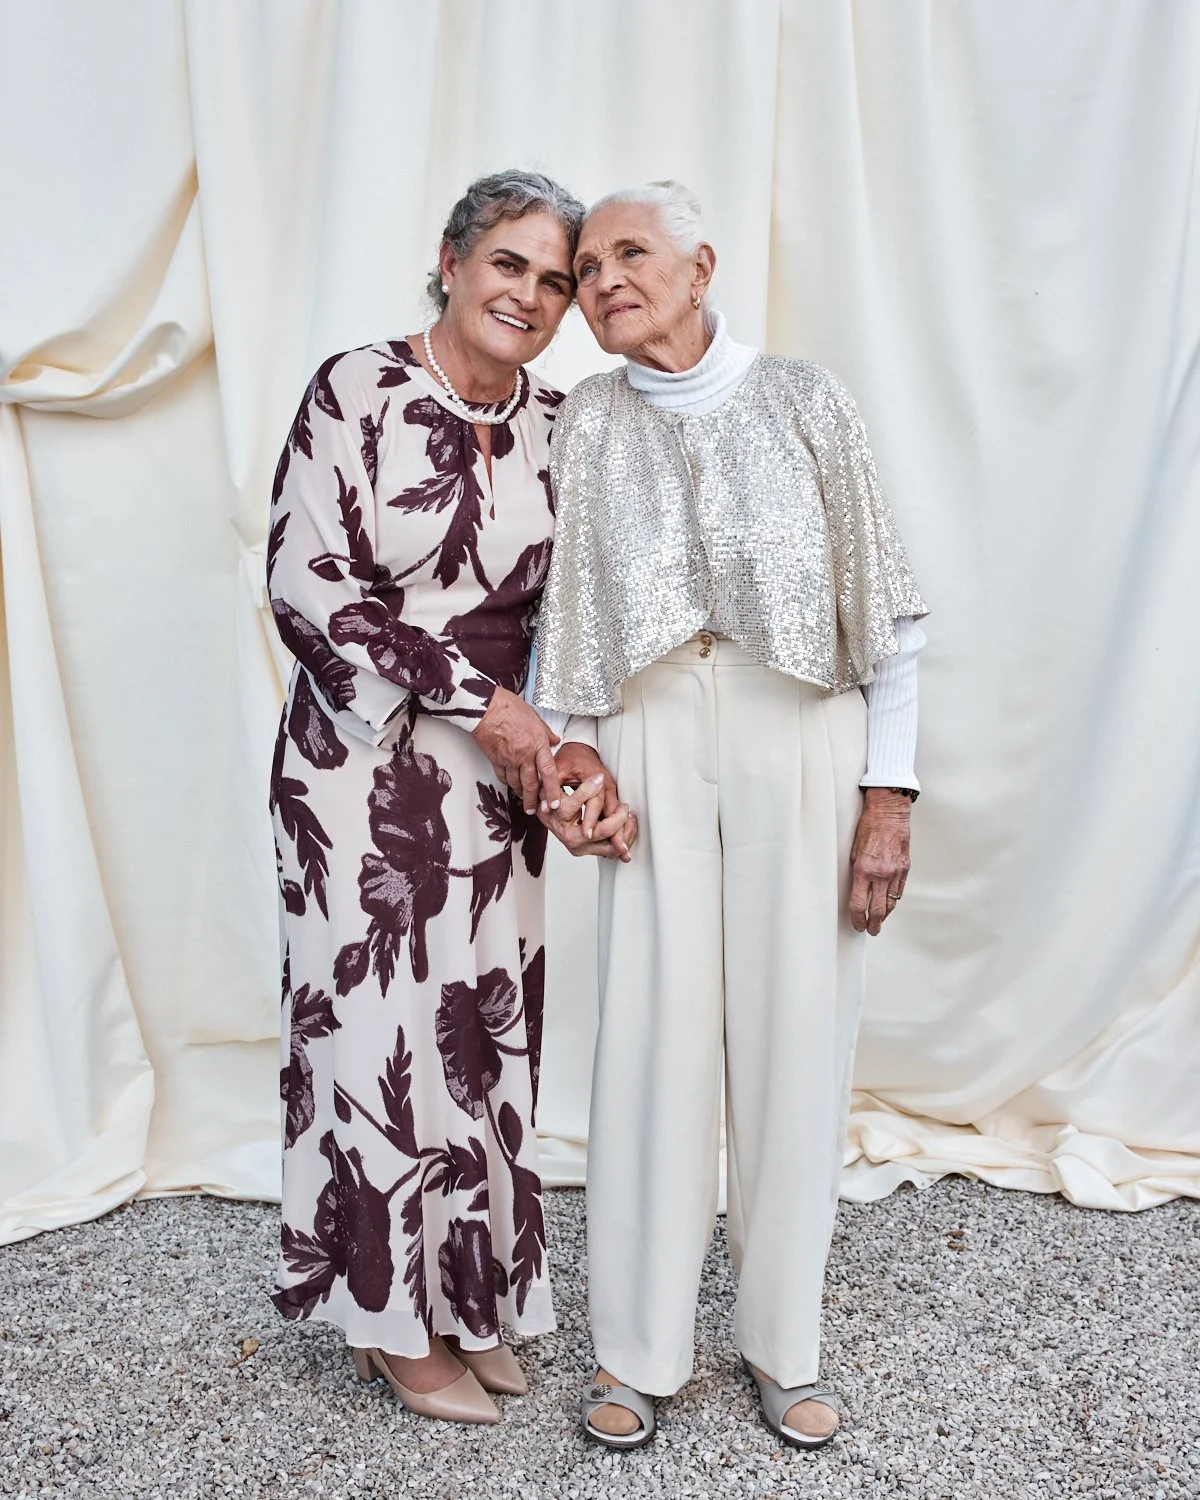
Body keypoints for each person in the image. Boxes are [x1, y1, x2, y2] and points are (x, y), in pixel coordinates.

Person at [535, 182, 928, 1451]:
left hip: (799, 726)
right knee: (647, 1035)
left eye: (629, 254)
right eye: (585, 267)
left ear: (703, 266)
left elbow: (890, 619)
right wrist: (581, 763)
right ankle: (634, 1353)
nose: (601, 282)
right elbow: (573, 616)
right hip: (647, 732)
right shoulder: (587, 420)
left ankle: (784, 1346)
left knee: (793, 1033)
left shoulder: (806, 397)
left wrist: (889, 795)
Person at [267, 170, 635, 1427]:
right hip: (359, 774)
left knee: (480, 1042)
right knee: (377, 1041)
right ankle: (388, 1319)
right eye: (508, 266)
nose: (528, 295)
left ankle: (471, 1295)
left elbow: (568, 611)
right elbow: (311, 587)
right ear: (452, 261)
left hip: (499, 789)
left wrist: (564, 749)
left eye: (553, 278)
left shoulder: (560, 421)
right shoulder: (354, 388)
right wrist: (485, 705)